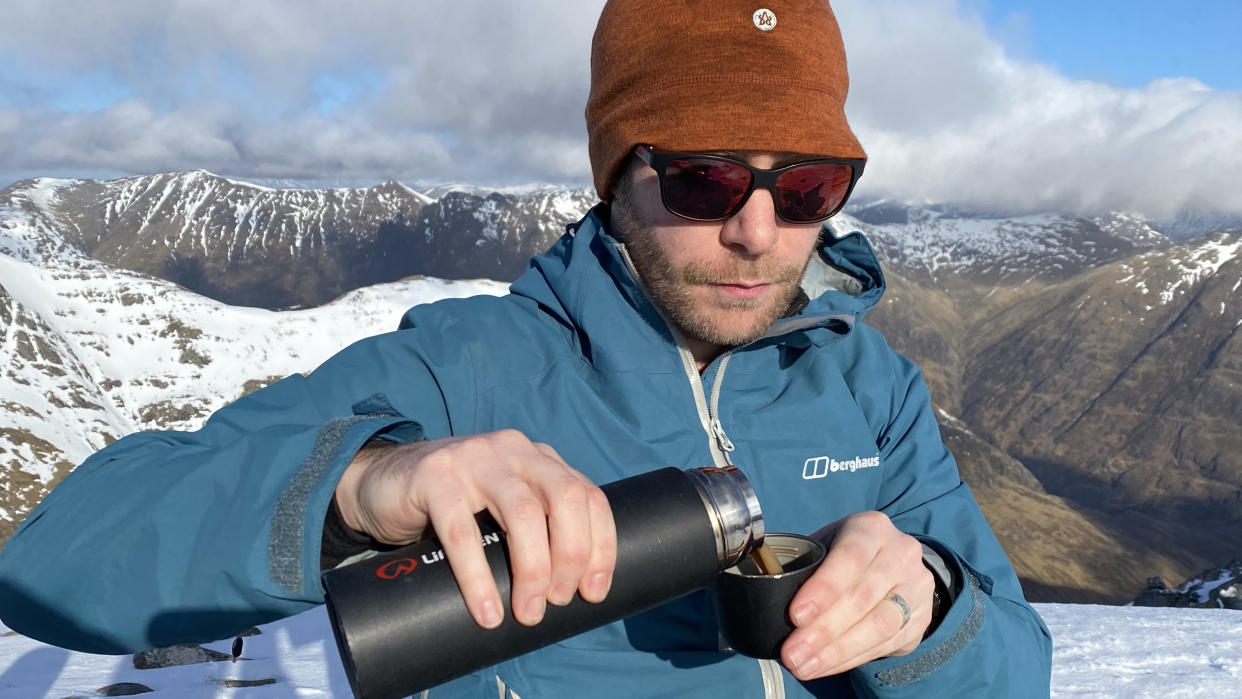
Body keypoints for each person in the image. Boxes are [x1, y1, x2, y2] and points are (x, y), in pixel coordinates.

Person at [0, 1, 1053, 696]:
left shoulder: (870, 385)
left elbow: (1021, 666)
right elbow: (53, 562)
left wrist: (936, 604)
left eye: (811, 187)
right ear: (619, 178)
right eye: (707, 180)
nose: (757, 230)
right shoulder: (466, 372)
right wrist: (358, 489)